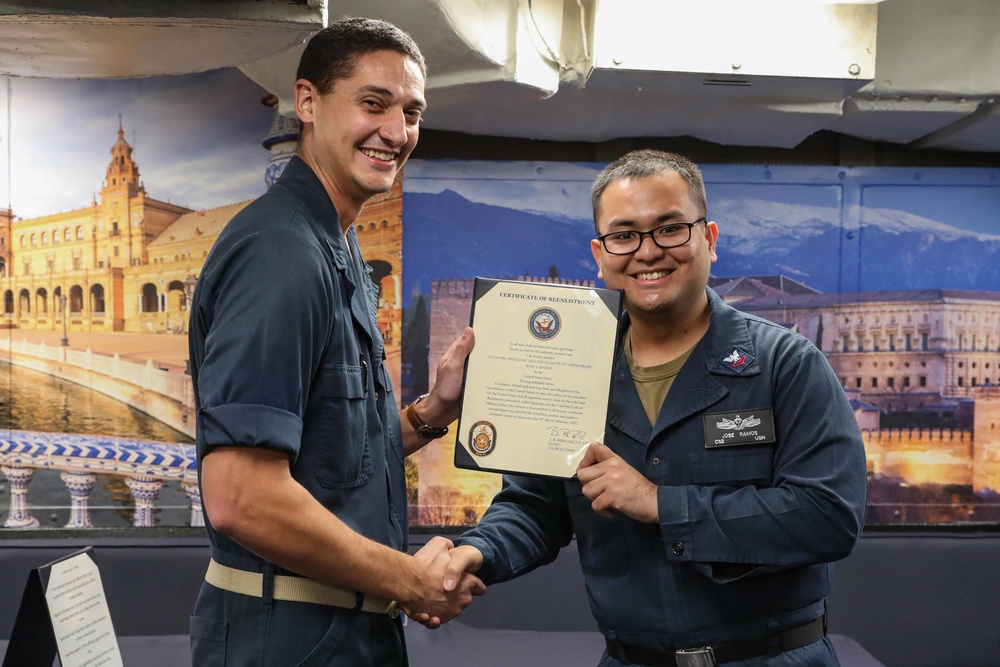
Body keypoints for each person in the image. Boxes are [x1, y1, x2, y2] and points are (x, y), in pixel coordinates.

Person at [443, 149, 868, 666]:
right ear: (600, 254)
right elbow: (535, 508)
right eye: (624, 236)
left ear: (708, 239)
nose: (647, 252)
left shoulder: (785, 364)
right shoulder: (567, 371)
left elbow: (828, 515)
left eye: (670, 229)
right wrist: (478, 552)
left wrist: (660, 503)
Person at [188, 18, 483, 666]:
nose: (398, 132)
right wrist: (409, 579)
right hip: (290, 641)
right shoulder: (281, 252)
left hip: (346, 634)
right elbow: (243, 496)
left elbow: (330, 449)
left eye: (412, 112)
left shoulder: (336, 244)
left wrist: (432, 413)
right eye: (373, 103)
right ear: (307, 102)